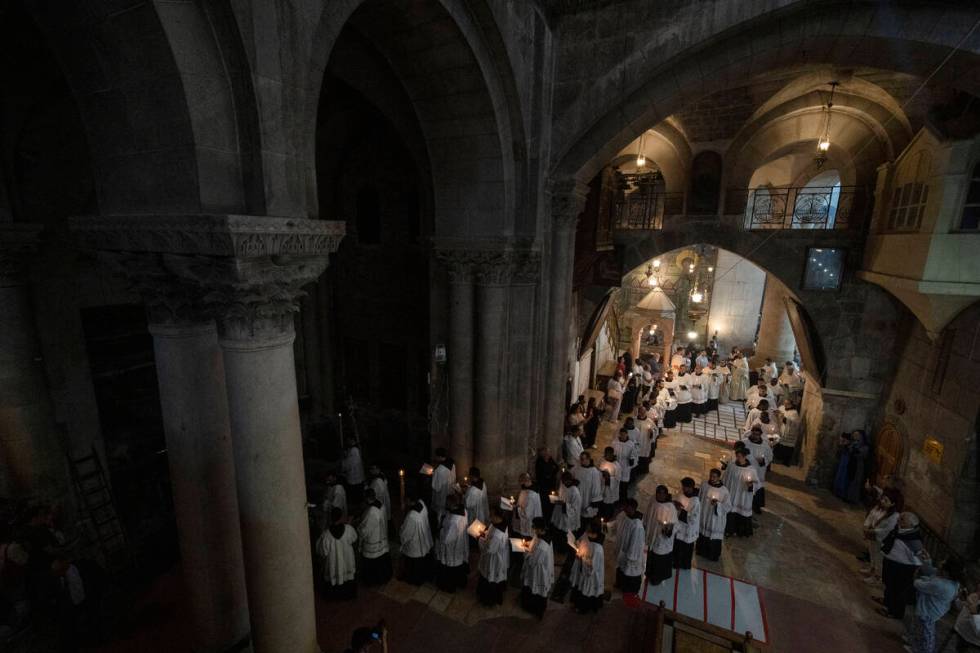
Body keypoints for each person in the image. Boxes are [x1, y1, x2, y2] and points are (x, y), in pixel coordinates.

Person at [908, 558, 964, 653]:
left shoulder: (940, 584)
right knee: (922, 630)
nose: (940, 564)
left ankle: (919, 649)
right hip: (935, 610)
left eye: (943, 565)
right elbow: (931, 576)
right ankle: (914, 646)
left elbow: (920, 585)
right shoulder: (954, 583)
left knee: (927, 636)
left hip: (927, 611)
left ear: (946, 572)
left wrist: (917, 579)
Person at [878, 511, 923, 619]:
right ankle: (886, 602)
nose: (899, 520)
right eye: (900, 518)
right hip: (892, 562)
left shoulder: (913, 539)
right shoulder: (899, 530)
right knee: (888, 584)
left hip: (903, 568)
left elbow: (918, 558)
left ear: (911, 525)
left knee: (898, 590)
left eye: (902, 519)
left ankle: (895, 612)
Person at [316, 507, 358, 600]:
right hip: (347, 561)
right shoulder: (348, 529)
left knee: (333, 577)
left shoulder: (326, 534)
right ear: (341, 517)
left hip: (333, 565)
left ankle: (334, 597)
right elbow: (355, 538)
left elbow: (322, 552)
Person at [862, 489, 901, 582]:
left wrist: (873, 531)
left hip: (881, 539)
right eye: (883, 499)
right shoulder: (878, 508)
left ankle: (877, 576)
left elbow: (887, 529)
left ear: (893, 504)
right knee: (872, 553)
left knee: (878, 558)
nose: (882, 501)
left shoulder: (894, 516)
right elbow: (870, 516)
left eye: (886, 500)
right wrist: (866, 526)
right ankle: (871, 569)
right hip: (872, 535)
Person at [520, 517, 554, 619]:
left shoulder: (543, 546)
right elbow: (534, 544)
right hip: (538, 568)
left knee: (537, 590)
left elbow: (532, 561)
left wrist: (524, 550)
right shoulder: (542, 535)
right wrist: (529, 544)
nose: (533, 528)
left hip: (539, 572)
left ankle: (536, 609)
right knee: (533, 589)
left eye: (534, 527)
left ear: (539, 529)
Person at [643, 485, 677, 586]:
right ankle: (649, 573)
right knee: (651, 556)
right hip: (652, 534)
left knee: (659, 559)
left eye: (663, 493)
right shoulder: (653, 500)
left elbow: (674, 523)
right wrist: (645, 525)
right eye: (658, 493)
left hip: (662, 538)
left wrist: (668, 529)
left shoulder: (670, 507)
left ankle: (657, 577)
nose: (660, 495)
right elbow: (647, 514)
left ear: (666, 495)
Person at [569, 520, 605, 614]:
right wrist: (576, 543)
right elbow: (580, 541)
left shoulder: (597, 548)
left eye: (588, 530)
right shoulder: (586, 536)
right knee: (580, 587)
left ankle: (584, 608)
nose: (586, 531)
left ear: (594, 533)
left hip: (590, 575)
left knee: (588, 590)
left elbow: (593, 566)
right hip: (582, 569)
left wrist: (581, 557)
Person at [357, 488, 392, 585]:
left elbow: (365, 530)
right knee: (382, 560)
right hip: (382, 536)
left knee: (374, 564)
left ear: (367, 498)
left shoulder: (371, 511)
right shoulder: (381, 505)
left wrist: (359, 528)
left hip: (374, 540)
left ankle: (374, 581)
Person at [476, 508, 509, 606]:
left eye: (492, 515)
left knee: (490, 577)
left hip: (494, 559)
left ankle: (488, 600)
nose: (490, 517)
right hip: (495, 555)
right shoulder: (500, 524)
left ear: (498, 517)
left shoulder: (498, 534)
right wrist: (485, 534)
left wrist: (479, 539)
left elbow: (489, 549)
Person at [435, 497, 469, 593]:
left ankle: (449, 586)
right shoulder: (463, 511)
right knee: (458, 564)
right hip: (460, 543)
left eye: (447, 503)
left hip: (452, 548)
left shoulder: (454, 521)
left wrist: (440, 531)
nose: (446, 505)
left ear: (452, 505)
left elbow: (447, 539)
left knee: (451, 567)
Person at [696, 469, 732, 561]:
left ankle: (712, 555)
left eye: (714, 477)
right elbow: (699, 498)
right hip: (704, 515)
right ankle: (701, 551)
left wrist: (718, 505)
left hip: (715, 519)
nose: (712, 478)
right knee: (702, 534)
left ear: (719, 477)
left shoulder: (724, 491)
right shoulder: (704, 485)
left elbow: (728, 507)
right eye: (711, 476)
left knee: (713, 537)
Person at [399, 497, 433, 586]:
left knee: (413, 564)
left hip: (415, 543)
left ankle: (414, 579)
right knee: (421, 562)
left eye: (405, 500)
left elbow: (406, 533)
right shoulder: (422, 503)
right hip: (423, 538)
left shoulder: (411, 516)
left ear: (409, 501)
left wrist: (401, 534)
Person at [613, 499, 645, 594]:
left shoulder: (637, 526)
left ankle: (629, 590)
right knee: (620, 568)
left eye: (626, 507)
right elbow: (616, 526)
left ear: (632, 508)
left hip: (629, 555)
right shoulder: (623, 516)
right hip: (621, 551)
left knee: (628, 571)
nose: (624, 509)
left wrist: (630, 557)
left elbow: (636, 544)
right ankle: (620, 584)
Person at [725, 449, 758, 538]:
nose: (738, 458)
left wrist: (750, 485)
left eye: (739, 456)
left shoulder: (751, 470)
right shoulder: (732, 466)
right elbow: (726, 478)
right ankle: (729, 530)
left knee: (740, 512)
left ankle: (740, 531)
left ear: (744, 457)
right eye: (737, 456)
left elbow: (756, 484)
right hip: (732, 492)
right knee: (731, 512)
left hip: (743, 495)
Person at [741, 426, 774, 514]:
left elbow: (770, 457)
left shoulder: (765, 446)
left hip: (758, 470)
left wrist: (763, 461)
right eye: (754, 434)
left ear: (760, 435)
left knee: (757, 488)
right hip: (746, 469)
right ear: (751, 432)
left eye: (757, 434)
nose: (755, 436)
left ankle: (756, 506)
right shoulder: (744, 442)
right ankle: (743, 504)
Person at [673, 478, 700, 570]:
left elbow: (694, 517)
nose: (683, 489)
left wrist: (681, 510)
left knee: (686, 548)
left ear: (691, 487)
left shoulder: (695, 500)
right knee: (677, 545)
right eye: (683, 487)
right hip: (679, 526)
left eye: (685, 487)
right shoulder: (681, 494)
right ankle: (676, 562)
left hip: (688, 528)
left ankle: (685, 564)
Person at [950, 581, 980, 652]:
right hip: (961, 632)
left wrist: (974, 614)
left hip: (972, 642)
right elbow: (961, 608)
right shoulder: (974, 596)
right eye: (978, 589)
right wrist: (959, 598)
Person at [572, 452, 602, 522]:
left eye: (584, 459)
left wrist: (594, 501)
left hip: (588, 498)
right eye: (581, 459)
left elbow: (596, 487)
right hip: (579, 495)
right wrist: (573, 482)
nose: (582, 461)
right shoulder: (576, 468)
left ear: (589, 459)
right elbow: (571, 477)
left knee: (586, 517)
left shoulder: (594, 472)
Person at [550, 472, 582, 536]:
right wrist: (555, 498)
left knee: (566, 535)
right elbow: (561, 495)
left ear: (569, 481)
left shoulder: (575, 491)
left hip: (568, 517)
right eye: (562, 481)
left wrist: (564, 505)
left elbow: (575, 508)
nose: (563, 483)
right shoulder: (564, 486)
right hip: (560, 514)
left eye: (564, 481)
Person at [430, 449, 456, 524]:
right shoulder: (452, 464)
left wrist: (433, 474)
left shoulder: (439, 470)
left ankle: (439, 525)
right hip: (450, 491)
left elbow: (435, 487)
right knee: (448, 511)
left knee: (440, 512)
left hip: (442, 495)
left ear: (439, 457)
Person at [612, 429, 638, 503]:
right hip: (616, 467)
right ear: (619, 434)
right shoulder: (614, 443)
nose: (622, 436)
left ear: (627, 434)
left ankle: (623, 500)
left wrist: (632, 460)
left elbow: (634, 455)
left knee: (623, 485)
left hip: (625, 467)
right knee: (616, 484)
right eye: (621, 434)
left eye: (624, 434)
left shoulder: (631, 444)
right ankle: (615, 499)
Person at [513, 473, 543, 539]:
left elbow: (527, 514)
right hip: (526, 517)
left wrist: (517, 508)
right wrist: (517, 503)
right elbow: (522, 499)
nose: (520, 483)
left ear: (526, 481)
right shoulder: (527, 487)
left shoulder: (532, 494)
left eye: (521, 481)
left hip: (529, 520)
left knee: (527, 535)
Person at [535, 448, 560, 522]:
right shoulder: (540, 462)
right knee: (546, 504)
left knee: (553, 502)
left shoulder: (550, 459)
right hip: (544, 487)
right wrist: (551, 472)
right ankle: (546, 519)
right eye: (546, 454)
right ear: (542, 455)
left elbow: (556, 467)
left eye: (548, 454)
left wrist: (552, 473)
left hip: (552, 485)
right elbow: (544, 475)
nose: (548, 455)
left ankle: (553, 518)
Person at [774, 399, 800, 465]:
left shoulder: (794, 413)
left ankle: (786, 461)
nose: (785, 405)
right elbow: (777, 414)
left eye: (787, 404)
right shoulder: (781, 408)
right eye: (784, 403)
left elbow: (794, 423)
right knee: (780, 444)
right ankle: (778, 458)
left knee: (788, 447)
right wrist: (776, 413)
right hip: (781, 429)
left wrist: (784, 418)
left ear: (791, 404)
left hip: (789, 431)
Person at [342, 438, 366, 505]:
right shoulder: (354, 450)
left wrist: (344, 460)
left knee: (356, 495)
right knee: (357, 494)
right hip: (356, 478)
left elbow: (348, 465)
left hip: (355, 478)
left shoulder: (353, 451)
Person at [598, 448, 620, 519]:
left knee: (609, 505)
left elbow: (617, 480)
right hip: (602, 487)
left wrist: (609, 478)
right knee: (602, 503)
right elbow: (599, 472)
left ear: (612, 454)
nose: (606, 456)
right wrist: (602, 474)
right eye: (605, 454)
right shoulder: (602, 461)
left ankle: (608, 516)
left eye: (608, 454)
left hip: (610, 490)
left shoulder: (617, 466)